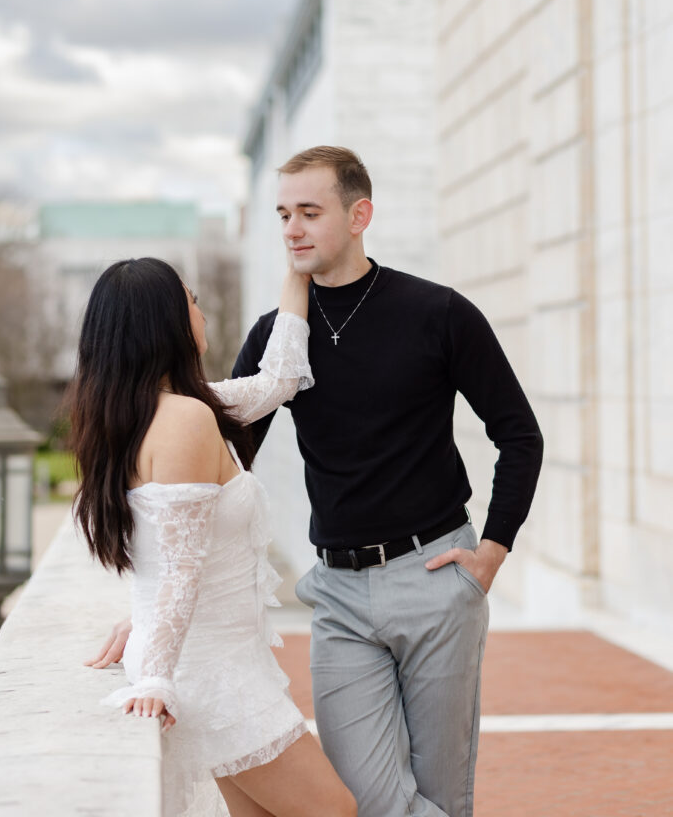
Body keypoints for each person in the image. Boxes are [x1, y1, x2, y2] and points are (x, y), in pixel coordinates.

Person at [228, 146, 544, 817]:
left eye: (309, 212)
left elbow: (519, 434)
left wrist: (492, 551)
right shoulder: (276, 337)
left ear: (359, 215)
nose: (292, 229)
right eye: (283, 214)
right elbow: (228, 460)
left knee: (441, 794)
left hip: (434, 576)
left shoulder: (438, 312)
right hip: (337, 593)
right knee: (364, 798)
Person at [73, 257, 356, 817]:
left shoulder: (155, 412)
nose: (202, 314)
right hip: (209, 674)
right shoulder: (185, 421)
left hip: (221, 661)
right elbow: (179, 569)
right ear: (165, 324)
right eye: (193, 302)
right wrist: (155, 678)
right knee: (335, 809)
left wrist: (297, 274)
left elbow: (278, 381)